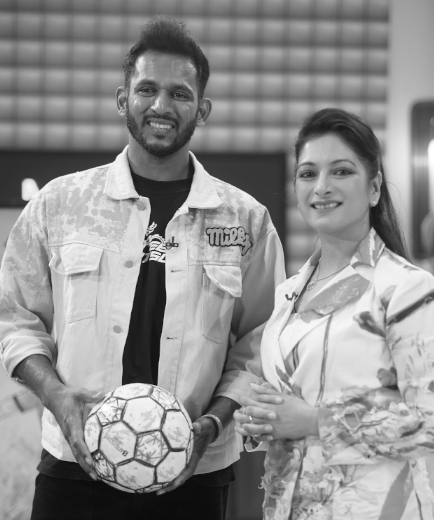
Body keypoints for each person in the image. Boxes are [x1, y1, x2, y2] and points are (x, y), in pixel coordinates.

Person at [0, 16, 285, 520]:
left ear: (203, 110)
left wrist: (215, 423)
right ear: (122, 99)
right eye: (147, 89)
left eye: (180, 94)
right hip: (73, 467)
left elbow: (262, 342)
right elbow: (14, 317)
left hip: (193, 472)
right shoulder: (59, 205)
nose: (161, 106)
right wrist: (55, 395)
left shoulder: (245, 221)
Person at [234, 108, 434, 519]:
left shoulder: (406, 287)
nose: (322, 186)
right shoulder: (288, 294)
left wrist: (314, 421)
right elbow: (296, 405)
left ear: (374, 188)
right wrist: (263, 419)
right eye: (308, 173)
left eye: (341, 171)